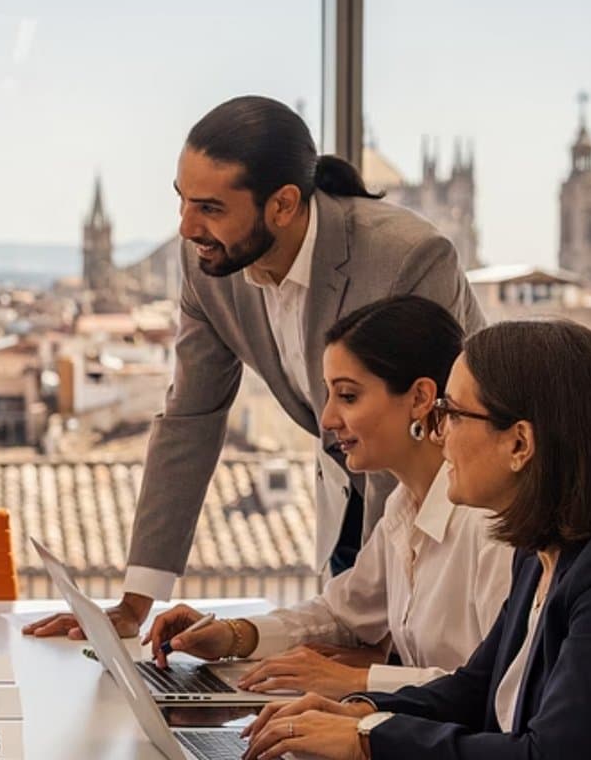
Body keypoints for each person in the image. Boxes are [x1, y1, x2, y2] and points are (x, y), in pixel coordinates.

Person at [26, 95, 484, 641]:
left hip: (454, 516)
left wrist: (377, 643)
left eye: (211, 208)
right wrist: (133, 605)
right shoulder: (209, 264)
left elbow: (415, 430)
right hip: (348, 509)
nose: (186, 227)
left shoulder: (405, 256)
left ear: (283, 205)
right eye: (182, 201)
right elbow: (191, 418)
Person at [242, 319, 591, 760]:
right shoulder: (543, 549)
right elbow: (475, 689)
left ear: (520, 443)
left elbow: (550, 755)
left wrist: (368, 741)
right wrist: (359, 713)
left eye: (452, 414)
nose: (438, 434)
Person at [145, 296, 512, 700]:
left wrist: (359, 681)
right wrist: (234, 635)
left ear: (420, 398)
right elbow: (342, 615)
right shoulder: (403, 507)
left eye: (348, 396)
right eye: (329, 396)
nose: (327, 420)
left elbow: (498, 689)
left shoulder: (490, 526)